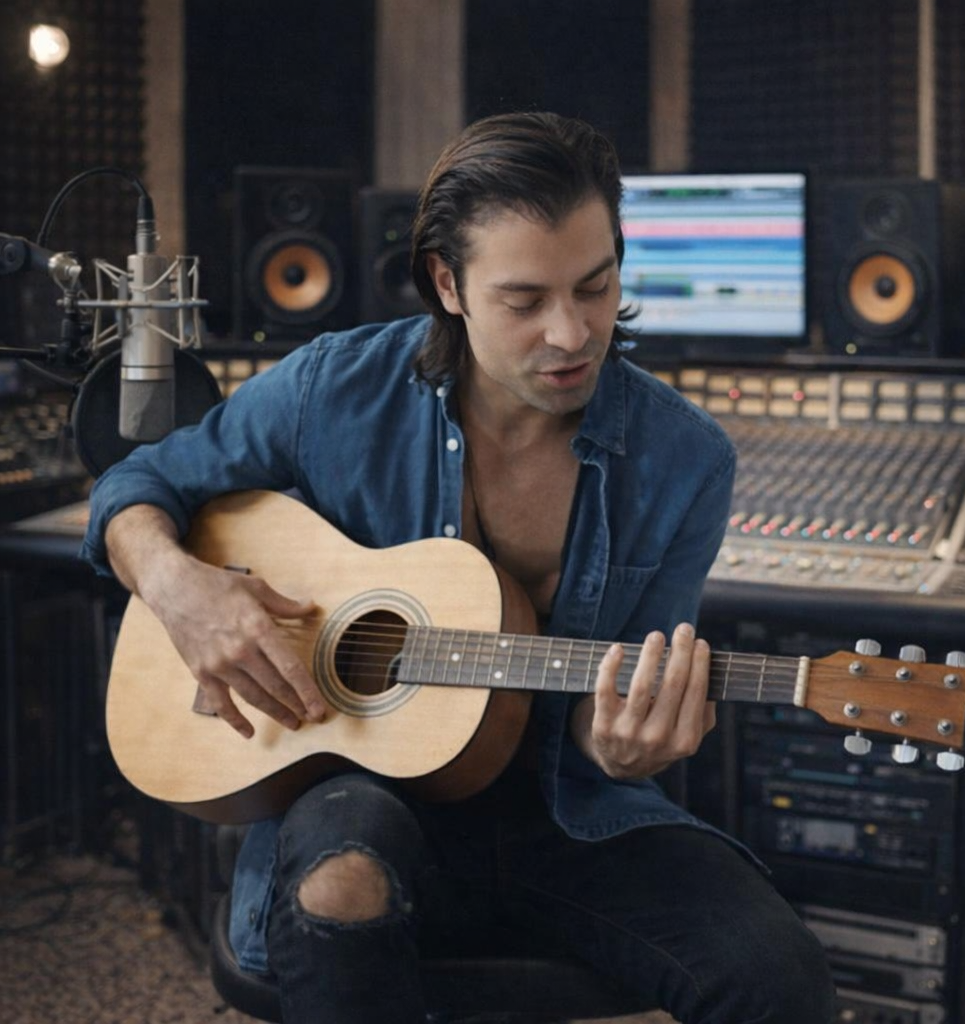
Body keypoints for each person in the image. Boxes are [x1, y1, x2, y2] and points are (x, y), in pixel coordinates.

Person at [82, 111, 835, 1023]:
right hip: (353, 793)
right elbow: (136, 485)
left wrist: (621, 743)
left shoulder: (687, 461)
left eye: (595, 286)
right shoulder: (333, 388)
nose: (572, 333)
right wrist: (181, 589)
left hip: (565, 811)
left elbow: (620, 709)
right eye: (525, 301)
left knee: (777, 973)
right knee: (341, 883)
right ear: (449, 283)